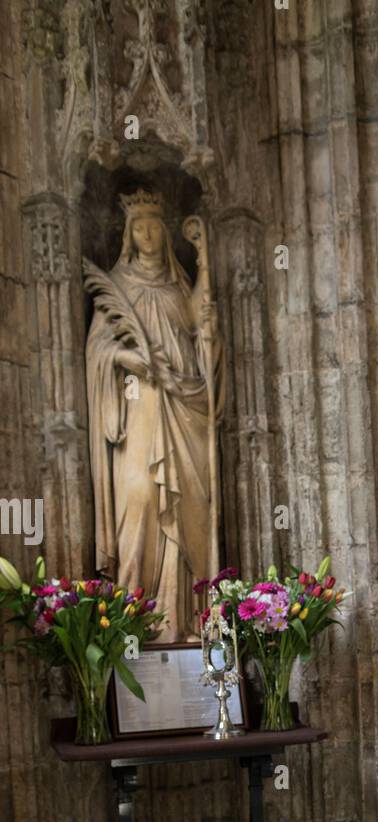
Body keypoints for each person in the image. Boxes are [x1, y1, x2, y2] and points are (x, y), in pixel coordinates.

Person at [86, 188, 224, 640]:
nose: (146, 234)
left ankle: (191, 621)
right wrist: (126, 361)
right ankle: (135, 623)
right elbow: (97, 350)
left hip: (185, 405)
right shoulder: (117, 285)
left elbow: (196, 319)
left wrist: (203, 258)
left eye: (153, 226)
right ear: (129, 233)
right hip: (139, 404)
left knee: (191, 507)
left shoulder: (176, 282)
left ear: (165, 233)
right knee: (142, 496)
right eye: (138, 226)